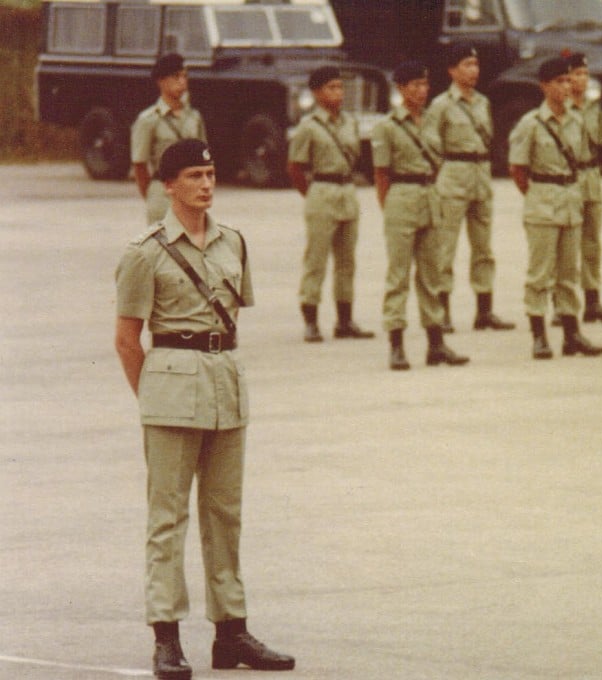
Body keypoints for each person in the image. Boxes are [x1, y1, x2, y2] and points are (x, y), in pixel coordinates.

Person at [114, 139, 295, 680]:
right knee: (167, 518)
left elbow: (233, 320)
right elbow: (127, 339)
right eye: (193, 175)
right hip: (171, 388)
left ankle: (231, 631)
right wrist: (152, 396)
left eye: (211, 173)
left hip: (225, 384)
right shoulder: (145, 251)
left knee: (225, 516)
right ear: (168, 185)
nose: (206, 184)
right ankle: (166, 636)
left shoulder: (233, 243)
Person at [371, 61, 469, 370]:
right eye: (414, 86)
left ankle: (436, 343)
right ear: (400, 89)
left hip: (429, 197)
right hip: (401, 197)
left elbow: (438, 161)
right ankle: (396, 344)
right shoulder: (387, 127)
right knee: (398, 276)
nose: (421, 91)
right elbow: (381, 175)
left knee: (432, 275)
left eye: (425, 85)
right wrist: (389, 209)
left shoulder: (432, 121)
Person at [509, 57, 602, 360]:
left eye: (568, 81)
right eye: (559, 82)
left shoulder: (577, 120)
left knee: (568, 273)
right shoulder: (530, 124)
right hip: (543, 202)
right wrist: (539, 194)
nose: (566, 87)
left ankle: (571, 333)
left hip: (570, 200)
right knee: (540, 274)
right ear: (544, 86)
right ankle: (539, 335)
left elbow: (579, 159)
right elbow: (518, 170)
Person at [423, 44, 514, 333]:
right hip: (453, 177)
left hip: (480, 176)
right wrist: (442, 176)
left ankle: (484, 311)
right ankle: (442, 311)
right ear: (452, 70)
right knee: (445, 247)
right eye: (466, 64)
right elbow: (429, 146)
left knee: (483, 248)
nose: (473, 70)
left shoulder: (482, 103)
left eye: (475, 64)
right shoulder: (441, 105)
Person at [287, 65, 374, 343]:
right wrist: (312, 195)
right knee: (316, 260)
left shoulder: (350, 123)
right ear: (316, 93)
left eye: (340, 87)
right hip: (322, 191)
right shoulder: (309, 126)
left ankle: (345, 320)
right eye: (331, 88)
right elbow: (295, 167)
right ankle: (311, 320)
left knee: (347, 262)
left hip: (346, 191)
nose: (338, 93)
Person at [566, 52, 602, 324]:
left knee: (592, 242)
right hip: (570, 178)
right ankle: (562, 303)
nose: (583, 80)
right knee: (566, 243)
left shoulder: (592, 107)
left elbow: (600, 142)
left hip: (591, 175)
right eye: (577, 74)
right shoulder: (560, 109)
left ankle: (592, 301)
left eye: (586, 74)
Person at [131, 53, 207, 225]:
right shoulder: (149, 120)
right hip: (163, 192)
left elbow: (204, 157)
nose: (182, 82)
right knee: (164, 246)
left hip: (192, 193)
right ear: (161, 81)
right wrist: (153, 194)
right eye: (176, 77)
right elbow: (139, 164)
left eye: (184, 76)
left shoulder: (194, 117)